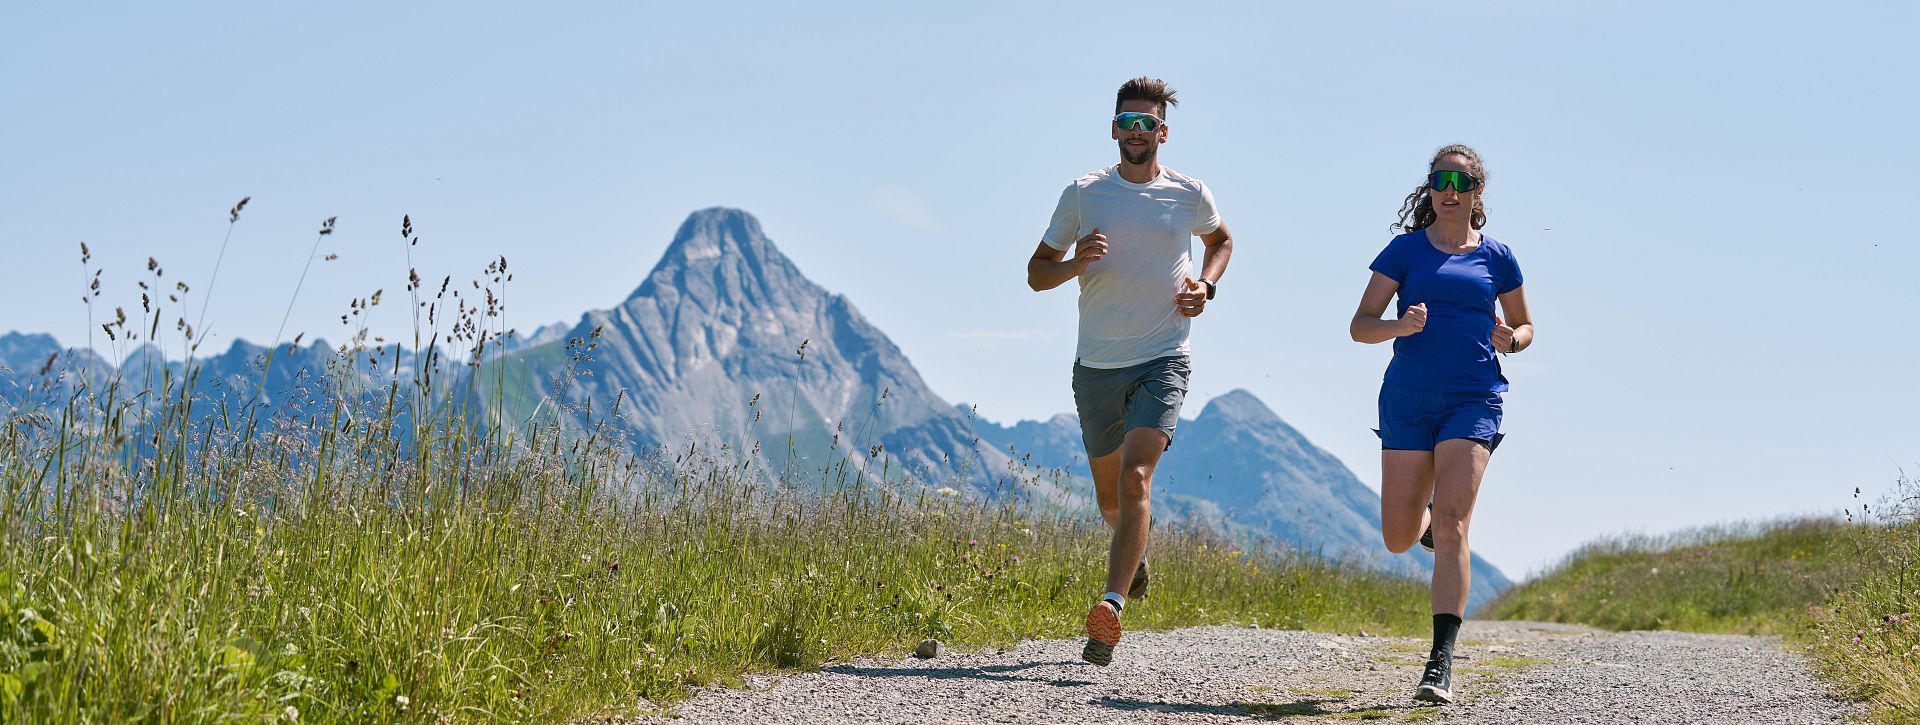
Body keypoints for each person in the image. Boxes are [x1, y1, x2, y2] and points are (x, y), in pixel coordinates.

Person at [1027, 76, 1234, 666]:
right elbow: (1036, 273)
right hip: (1096, 364)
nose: (1136, 132)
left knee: (1137, 478)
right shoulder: (1084, 194)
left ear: (1162, 133)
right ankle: (1132, 554)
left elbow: (1221, 242)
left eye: (1147, 124)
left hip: (1163, 356)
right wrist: (1075, 263)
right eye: (1127, 123)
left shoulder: (1188, 194)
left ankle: (1109, 608)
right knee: (1109, 492)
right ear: (1114, 128)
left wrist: (1206, 286)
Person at [1348, 144, 1532, 703]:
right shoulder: (1404, 252)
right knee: (1399, 537)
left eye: (1461, 180)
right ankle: (1423, 522)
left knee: (1454, 522)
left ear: (1478, 191)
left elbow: (1525, 325)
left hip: (1473, 397)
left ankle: (1439, 664)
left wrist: (1513, 340)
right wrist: (1399, 326)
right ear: (1429, 189)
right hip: (1407, 398)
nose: (1449, 189)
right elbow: (1360, 326)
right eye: (1439, 180)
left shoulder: (1498, 257)